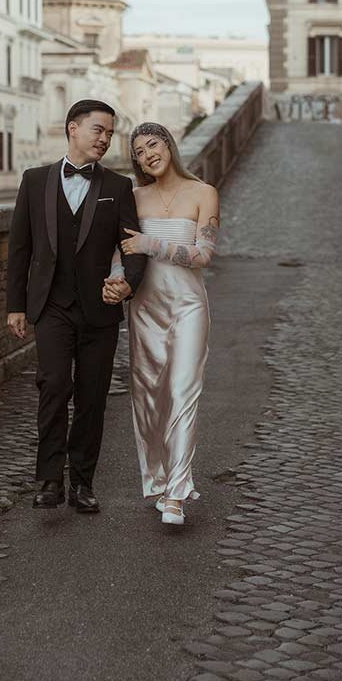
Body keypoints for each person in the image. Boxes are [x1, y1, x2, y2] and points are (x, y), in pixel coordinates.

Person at [6, 100, 147, 513]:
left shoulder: (118, 187)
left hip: (99, 310)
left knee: (92, 397)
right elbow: (20, 249)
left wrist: (127, 284)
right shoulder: (34, 181)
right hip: (50, 305)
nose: (105, 139)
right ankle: (48, 480)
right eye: (98, 130)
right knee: (52, 388)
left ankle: (82, 483)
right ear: (72, 128)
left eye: (109, 133)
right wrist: (16, 305)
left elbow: (133, 247)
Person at [103, 122, 219, 526]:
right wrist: (117, 280)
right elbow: (122, 253)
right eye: (138, 151)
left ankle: (177, 494)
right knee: (149, 399)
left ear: (169, 145)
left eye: (153, 144)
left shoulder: (203, 193)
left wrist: (152, 244)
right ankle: (157, 481)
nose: (147, 154)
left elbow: (203, 254)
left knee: (184, 392)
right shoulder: (133, 197)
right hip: (146, 310)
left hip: (189, 307)